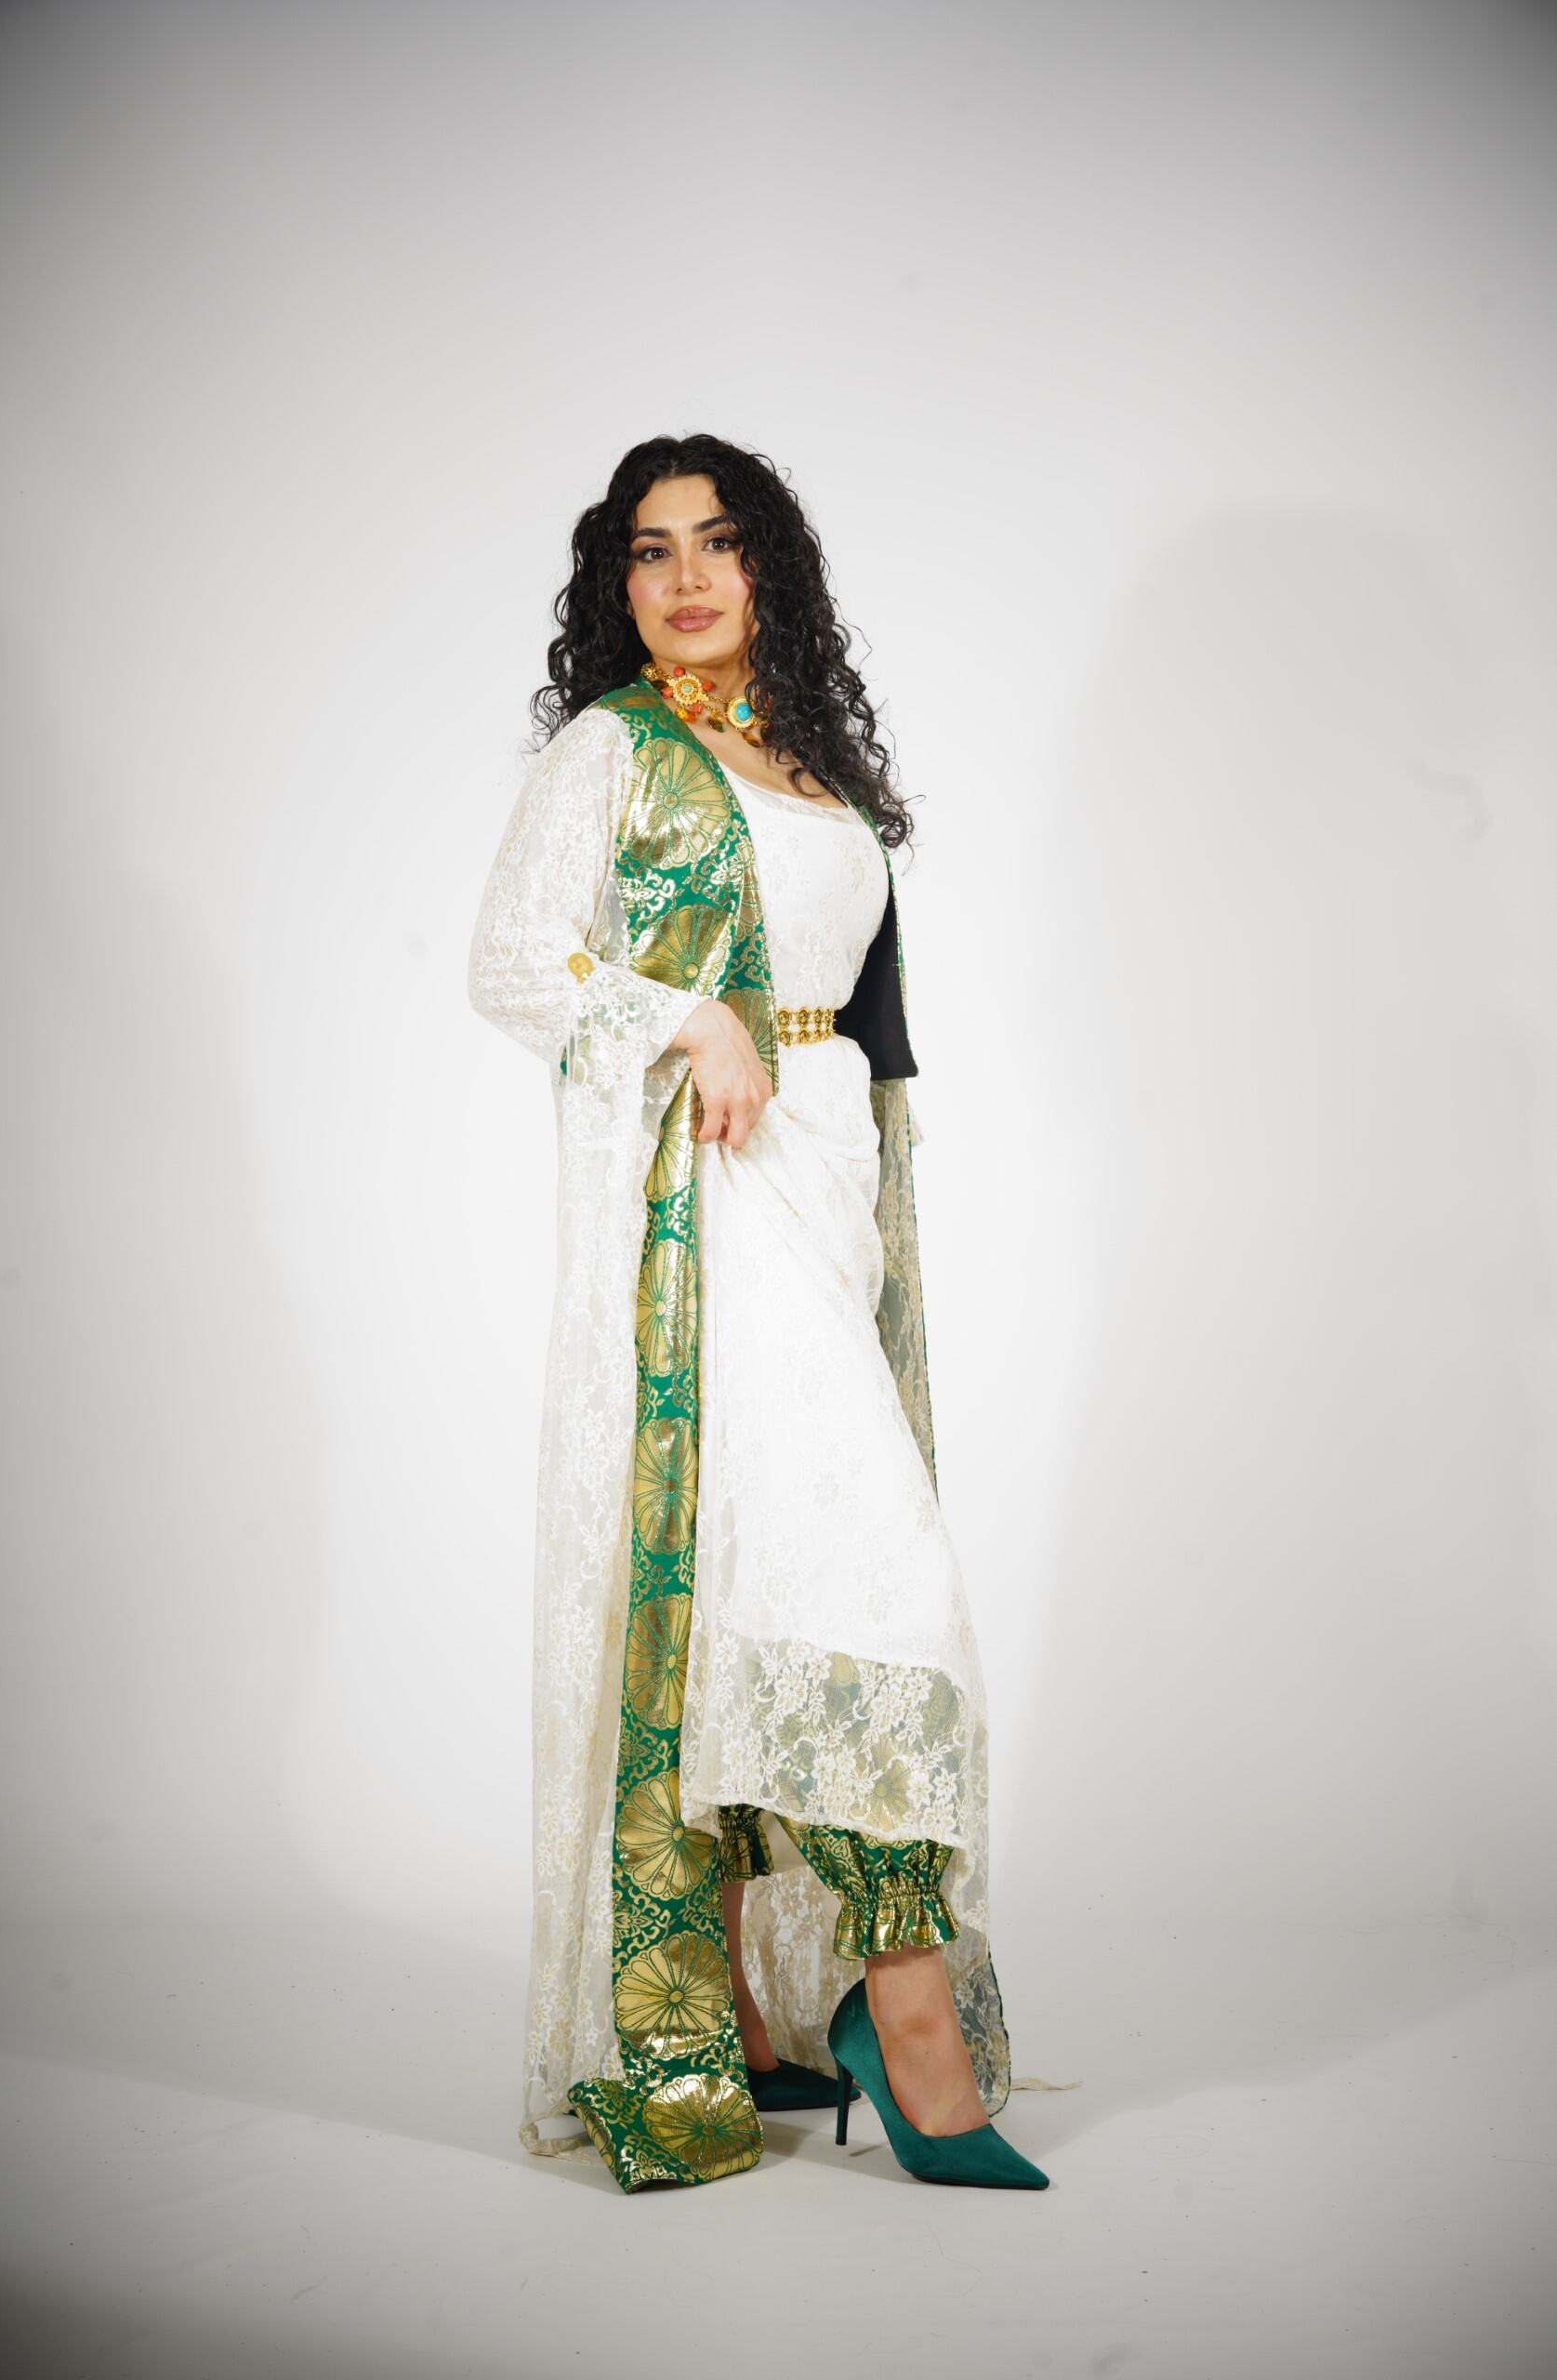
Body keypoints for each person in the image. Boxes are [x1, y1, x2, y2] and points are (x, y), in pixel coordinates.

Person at [467, 432, 1050, 2194]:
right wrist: (687, 1017)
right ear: (616, 583)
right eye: (649, 551)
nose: (686, 577)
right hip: (703, 1210)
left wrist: (844, 1153)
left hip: (826, 1192)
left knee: (755, 1584)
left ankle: (728, 2011)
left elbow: (860, 1020)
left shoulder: (808, 764)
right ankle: (905, 2019)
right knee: (860, 1580)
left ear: (769, 572)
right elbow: (512, 960)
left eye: (718, 544)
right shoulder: (610, 749)